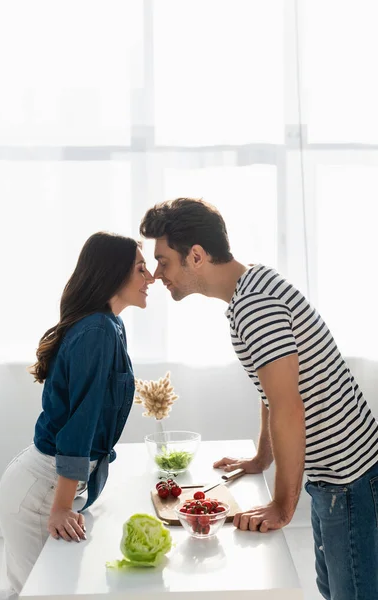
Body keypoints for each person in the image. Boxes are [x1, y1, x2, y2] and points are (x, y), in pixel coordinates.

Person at [140, 197, 378, 600]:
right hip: (337, 478)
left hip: (348, 481)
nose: (157, 273)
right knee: (333, 588)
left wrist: (281, 506)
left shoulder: (255, 307)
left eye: (163, 261)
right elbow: (274, 393)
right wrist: (262, 457)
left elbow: (289, 407)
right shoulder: (251, 289)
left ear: (195, 256)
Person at [0, 232, 154, 594]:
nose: (152, 277)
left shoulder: (110, 325)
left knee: (38, 589)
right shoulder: (98, 330)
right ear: (113, 273)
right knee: (40, 592)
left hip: (49, 485)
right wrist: (61, 507)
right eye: (141, 268)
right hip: (40, 493)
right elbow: (80, 425)